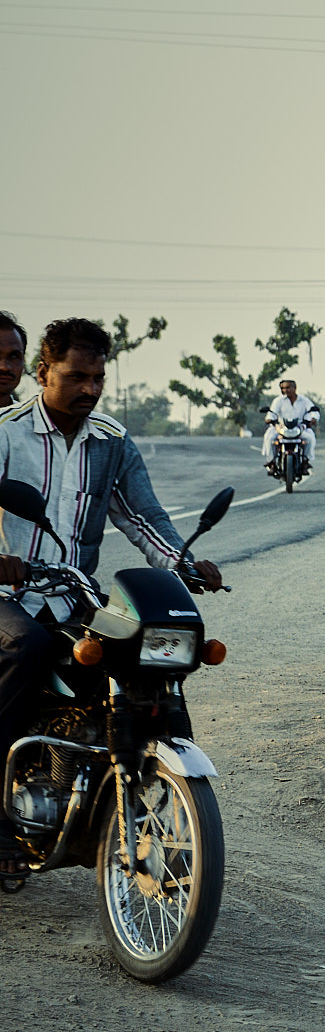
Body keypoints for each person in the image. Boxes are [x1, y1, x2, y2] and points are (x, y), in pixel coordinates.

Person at [0, 318, 224, 875]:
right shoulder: (6, 433)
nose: (90, 389)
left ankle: (158, 802)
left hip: (73, 594)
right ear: (43, 371)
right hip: (9, 594)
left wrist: (183, 562)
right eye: (76, 377)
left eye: (98, 378)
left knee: (145, 658)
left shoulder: (112, 441)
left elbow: (142, 516)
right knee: (25, 649)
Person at [262, 378, 319, 476]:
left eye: (288, 388)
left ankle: (305, 461)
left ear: (294, 388)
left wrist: (314, 419)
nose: (285, 390)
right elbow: (272, 413)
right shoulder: (278, 400)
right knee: (269, 437)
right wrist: (269, 419)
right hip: (281, 427)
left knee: (310, 438)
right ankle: (271, 462)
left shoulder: (304, 400)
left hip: (299, 427)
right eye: (283, 388)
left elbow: (314, 411)